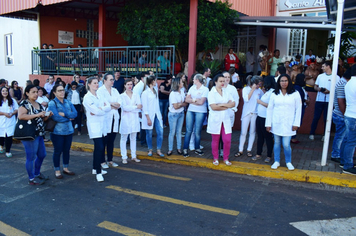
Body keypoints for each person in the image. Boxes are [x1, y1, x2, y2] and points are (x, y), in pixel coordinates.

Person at [18, 85, 53, 185]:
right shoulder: (24, 104)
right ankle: (31, 178)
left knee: (42, 155)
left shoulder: (38, 104)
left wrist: (47, 115)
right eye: (33, 92)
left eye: (37, 92)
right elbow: (21, 116)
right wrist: (37, 115)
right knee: (31, 157)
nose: (36, 94)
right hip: (29, 134)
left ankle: (37, 173)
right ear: (27, 93)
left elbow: (42, 119)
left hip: (39, 133)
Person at [266, 74, 302, 170]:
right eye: (282, 81)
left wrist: (296, 123)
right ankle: (276, 161)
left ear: (289, 82)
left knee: (286, 144)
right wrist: (268, 124)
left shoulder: (295, 93)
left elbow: (298, 109)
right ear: (279, 82)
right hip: (276, 122)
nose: (284, 83)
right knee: (277, 143)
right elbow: (270, 109)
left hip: (289, 123)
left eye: (286, 81)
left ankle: (288, 161)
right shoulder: (274, 94)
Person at [83, 77, 111, 182]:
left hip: (102, 125)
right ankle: (99, 172)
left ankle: (95, 168)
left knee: (99, 147)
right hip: (94, 126)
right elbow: (95, 110)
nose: (96, 85)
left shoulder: (99, 95)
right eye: (94, 83)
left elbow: (108, 106)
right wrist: (100, 110)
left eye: (97, 83)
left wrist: (100, 109)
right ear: (89, 84)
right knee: (99, 147)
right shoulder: (87, 97)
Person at [47, 84, 77, 179]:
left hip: (69, 131)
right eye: (59, 90)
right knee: (57, 151)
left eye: (63, 90)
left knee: (66, 151)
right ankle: (57, 170)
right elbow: (56, 117)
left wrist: (65, 115)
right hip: (57, 132)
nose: (62, 92)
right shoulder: (52, 103)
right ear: (54, 93)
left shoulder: (68, 102)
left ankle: (66, 168)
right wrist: (69, 118)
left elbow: (75, 114)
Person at [208, 74, 235, 166]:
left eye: (224, 81)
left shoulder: (227, 92)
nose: (223, 83)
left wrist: (220, 105)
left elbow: (233, 103)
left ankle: (226, 158)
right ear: (216, 82)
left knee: (227, 140)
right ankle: (215, 158)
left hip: (225, 119)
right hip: (215, 119)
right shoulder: (211, 93)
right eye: (221, 81)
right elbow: (213, 107)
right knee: (215, 140)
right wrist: (226, 106)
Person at [309, 61, 340, 141]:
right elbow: (315, 86)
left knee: (327, 118)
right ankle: (312, 133)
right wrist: (319, 89)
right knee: (316, 117)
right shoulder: (320, 76)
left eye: (323, 66)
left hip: (330, 101)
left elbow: (337, 90)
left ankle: (325, 134)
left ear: (328, 66)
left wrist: (329, 91)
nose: (322, 68)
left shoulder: (336, 77)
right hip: (319, 99)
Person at [235, 75, 263, 158]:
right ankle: (240, 149)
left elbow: (262, 99)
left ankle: (249, 149)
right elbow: (246, 99)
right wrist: (253, 89)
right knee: (243, 132)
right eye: (258, 84)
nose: (259, 86)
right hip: (246, 113)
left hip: (255, 113)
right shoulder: (246, 89)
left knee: (252, 132)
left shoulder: (259, 91)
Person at [97, 73, 121, 167]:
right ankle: (102, 161)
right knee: (104, 141)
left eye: (113, 79)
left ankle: (110, 160)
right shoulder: (100, 91)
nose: (112, 81)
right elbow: (103, 103)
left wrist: (112, 104)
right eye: (110, 79)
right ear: (105, 81)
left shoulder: (115, 90)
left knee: (111, 140)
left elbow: (120, 103)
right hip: (105, 118)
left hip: (114, 117)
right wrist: (111, 104)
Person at [182, 74, 209, 157]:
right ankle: (185, 149)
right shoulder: (192, 87)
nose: (192, 80)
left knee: (197, 131)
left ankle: (197, 148)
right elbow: (186, 99)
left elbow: (202, 102)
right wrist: (195, 100)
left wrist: (192, 100)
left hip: (201, 111)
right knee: (188, 130)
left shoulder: (205, 89)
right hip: (191, 110)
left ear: (197, 80)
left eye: (194, 79)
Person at [331, 69, 351, 163]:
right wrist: (345, 115)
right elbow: (340, 102)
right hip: (340, 114)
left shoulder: (342, 83)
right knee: (340, 136)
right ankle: (335, 154)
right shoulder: (342, 84)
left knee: (341, 136)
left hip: (339, 114)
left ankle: (338, 154)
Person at [254, 76, 276, 163]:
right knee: (260, 137)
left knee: (268, 138)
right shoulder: (267, 92)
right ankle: (258, 153)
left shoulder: (273, 92)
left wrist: (260, 102)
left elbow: (271, 106)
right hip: (260, 116)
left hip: (266, 118)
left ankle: (269, 155)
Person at [120, 79, 142, 163]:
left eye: (131, 84)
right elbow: (124, 108)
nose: (130, 86)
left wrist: (133, 107)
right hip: (125, 119)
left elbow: (140, 107)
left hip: (134, 119)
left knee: (133, 138)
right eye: (128, 84)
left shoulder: (136, 95)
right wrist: (135, 107)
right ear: (125, 85)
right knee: (124, 138)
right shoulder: (122, 96)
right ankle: (124, 157)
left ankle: (134, 156)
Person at [142, 75, 164, 157]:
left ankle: (159, 149)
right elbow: (145, 106)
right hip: (149, 115)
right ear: (152, 82)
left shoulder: (155, 90)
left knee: (160, 132)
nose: (157, 82)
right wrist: (148, 118)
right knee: (149, 133)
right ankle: (150, 149)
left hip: (157, 114)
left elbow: (157, 104)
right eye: (156, 81)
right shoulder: (145, 93)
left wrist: (160, 114)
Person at [340, 65, 356, 175]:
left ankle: (343, 161)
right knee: (351, 142)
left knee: (346, 139)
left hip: (348, 114)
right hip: (354, 116)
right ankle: (348, 165)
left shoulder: (349, 83)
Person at [167, 77, 187, 156]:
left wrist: (180, 104)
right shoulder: (173, 93)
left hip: (181, 113)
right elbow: (175, 106)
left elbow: (185, 103)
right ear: (178, 84)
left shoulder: (182, 91)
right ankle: (170, 149)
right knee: (172, 132)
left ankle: (179, 148)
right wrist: (181, 104)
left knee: (179, 132)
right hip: (173, 114)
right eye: (181, 82)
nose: (183, 83)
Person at [0, 87, 18, 157]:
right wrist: (4, 113)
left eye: (6, 91)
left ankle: (8, 151)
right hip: (1, 121)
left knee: (9, 136)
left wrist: (12, 113)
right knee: (1, 136)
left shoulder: (12, 100)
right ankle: (1, 145)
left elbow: (16, 109)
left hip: (10, 121)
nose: (5, 92)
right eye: (3, 91)